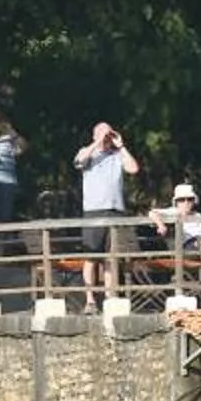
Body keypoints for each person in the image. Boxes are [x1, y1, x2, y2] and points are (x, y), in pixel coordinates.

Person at [74, 123, 139, 306]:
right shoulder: (87, 152)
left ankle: (111, 297)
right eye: (103, 133)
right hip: (94, 211)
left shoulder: (117, 155)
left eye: (109, 133)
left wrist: (121, 146)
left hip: (115, 211)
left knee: (112, 256)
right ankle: (90, 300)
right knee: (91, 256)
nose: (106, 137)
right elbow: (79, 162)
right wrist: (97, 142)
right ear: (94, 135)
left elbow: (133, 169)